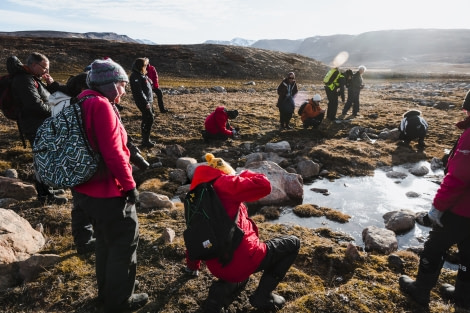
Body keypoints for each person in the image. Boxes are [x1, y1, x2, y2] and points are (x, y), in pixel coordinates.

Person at [72, 58, 148, 312]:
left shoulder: (81, 100)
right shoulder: (102, 106)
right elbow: (113, 153)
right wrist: (130, 187)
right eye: (122, 85)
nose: (124, 91)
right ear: (111, 84)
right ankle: (120, 301)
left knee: (105, 240)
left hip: (85, 189)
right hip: (107, 191)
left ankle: (106, 293)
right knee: (124, 244)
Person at [185, 153, 300, 312]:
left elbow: (194, 233)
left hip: (216, 264)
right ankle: (263, 296)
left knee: (241, 275)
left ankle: (217, 296)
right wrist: (243, 174)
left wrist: (192, 266)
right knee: (293, 243)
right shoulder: (226, 182)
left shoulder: (195, 194)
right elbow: (264, 185)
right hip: (243, 260)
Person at [398, 92, 470, 310]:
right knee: (468, 251)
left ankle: (420, 291)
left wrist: (436, 209)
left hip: (461, 210)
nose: (464, 112)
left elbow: (458, 178)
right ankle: (463, 295)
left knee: (434, 247)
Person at [10, 52, 68, 205]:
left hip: (40, 125)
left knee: (47, 157)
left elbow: (43, 99)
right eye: (44, 67)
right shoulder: (23, 79)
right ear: (34, 65)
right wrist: (55, 110)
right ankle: (45, 196)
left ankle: (50, 188)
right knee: (42, 159)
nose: (46, 71)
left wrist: (50, 85)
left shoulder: (31, 78)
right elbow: (34, 105)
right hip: (34, 126)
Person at [48, 72, 96, 254]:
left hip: (67, 158)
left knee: (79, 201)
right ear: (83, 89)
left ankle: (83, 240)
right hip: (78, 158)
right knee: (82, 202)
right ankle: (84, 242)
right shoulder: (75, 105)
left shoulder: (60, 102)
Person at [130, 57, 156, 148]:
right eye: (145, 65)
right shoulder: (135, 76)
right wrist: (146, 103)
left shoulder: (141, 74)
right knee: (148, 119)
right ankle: (145, 141)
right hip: (144, 102)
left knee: (150, 118)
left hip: (148, 101)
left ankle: (146, 139)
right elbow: (138, 91)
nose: (146, 67)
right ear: (140, 66)